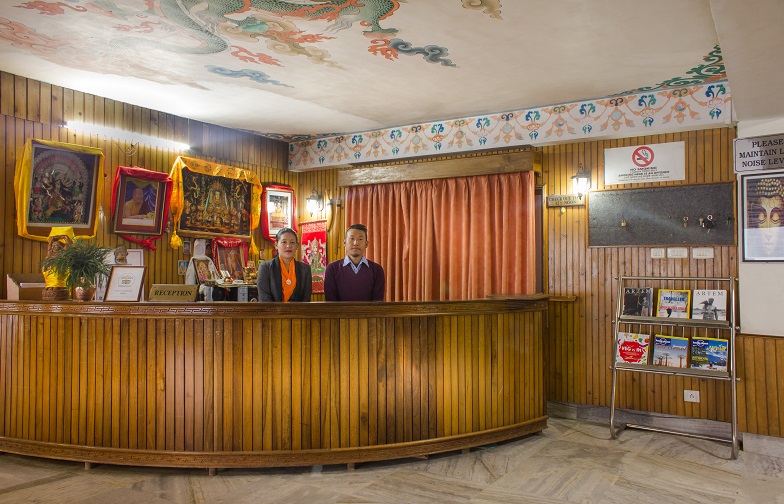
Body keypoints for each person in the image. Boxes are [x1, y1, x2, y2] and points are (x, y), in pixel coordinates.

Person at [324, 223, 385, 301]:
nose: (355, 243)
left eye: (360, 239)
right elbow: (330, 302)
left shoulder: (377, 270)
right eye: (352, 238)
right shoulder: (332, 268)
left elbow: (378, 302)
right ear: (344, 243)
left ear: (366, 244)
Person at [257, 227, 312, 302]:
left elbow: (306, 299)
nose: (288, 246)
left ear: (297, 246)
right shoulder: (265, 268)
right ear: (276, 245)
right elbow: (264, 299)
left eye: (292, 242)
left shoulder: (305, 269)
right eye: (284, 242)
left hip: (299, 310)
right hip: (272, 310)